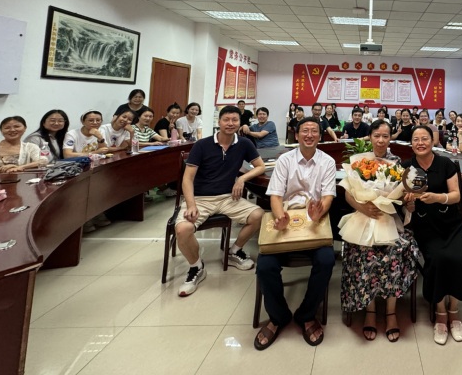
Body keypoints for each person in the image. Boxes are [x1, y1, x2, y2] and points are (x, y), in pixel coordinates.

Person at [255, 117, 336, 350]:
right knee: (265, 265)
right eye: (305, 131)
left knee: (326, 260)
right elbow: (275, 195)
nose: (309, 135)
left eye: (314, 131)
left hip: (314, 220)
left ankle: (306, 315)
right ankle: (278, 316)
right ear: (297, 134)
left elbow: (328, 195)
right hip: (287, 219)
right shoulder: (285, 160)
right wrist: (280, 216)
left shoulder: (328, 161)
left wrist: (319, 211)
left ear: (320, 135)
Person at [403, 125, 462, 345]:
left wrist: (438, 198)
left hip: (450, 223)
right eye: (416, 139)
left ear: (432, 141)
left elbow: (456, 196)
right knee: (438, 259)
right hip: (424, 225)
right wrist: (408, 204)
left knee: (456, 258)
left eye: (424, 138)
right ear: (411, 144)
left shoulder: (445, 164)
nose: (420, 143)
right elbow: (403, 201)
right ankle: (440, 312)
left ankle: (454, 311)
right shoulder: (406, 167)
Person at [341, 120, 420, 342]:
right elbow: (348, 192)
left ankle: (391, 311)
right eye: (377, 135)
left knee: (395, 252)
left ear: (390, 138)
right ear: (370, 137)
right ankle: (370, 309)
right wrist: (362, 207)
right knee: (363, 251)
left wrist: (409, 203)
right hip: (363, 218)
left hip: (389, 219)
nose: (381, 140)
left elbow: (402, 197)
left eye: (385, 136)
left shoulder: (397, 163)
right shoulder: (359, 160)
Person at [175, 105, 266, 297]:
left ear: (239, 123)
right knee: (183, 229)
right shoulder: (202, 145)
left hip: (227, 197)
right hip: (200, 198)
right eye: (226, 119)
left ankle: (234, 251)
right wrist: (191, 204)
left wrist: (241, 179)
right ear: (219, 122)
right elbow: (187, 179)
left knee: (258, 215)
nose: (230, 123)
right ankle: (196, 267)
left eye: (235, 120)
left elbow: (260, 166)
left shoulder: (244, 143)